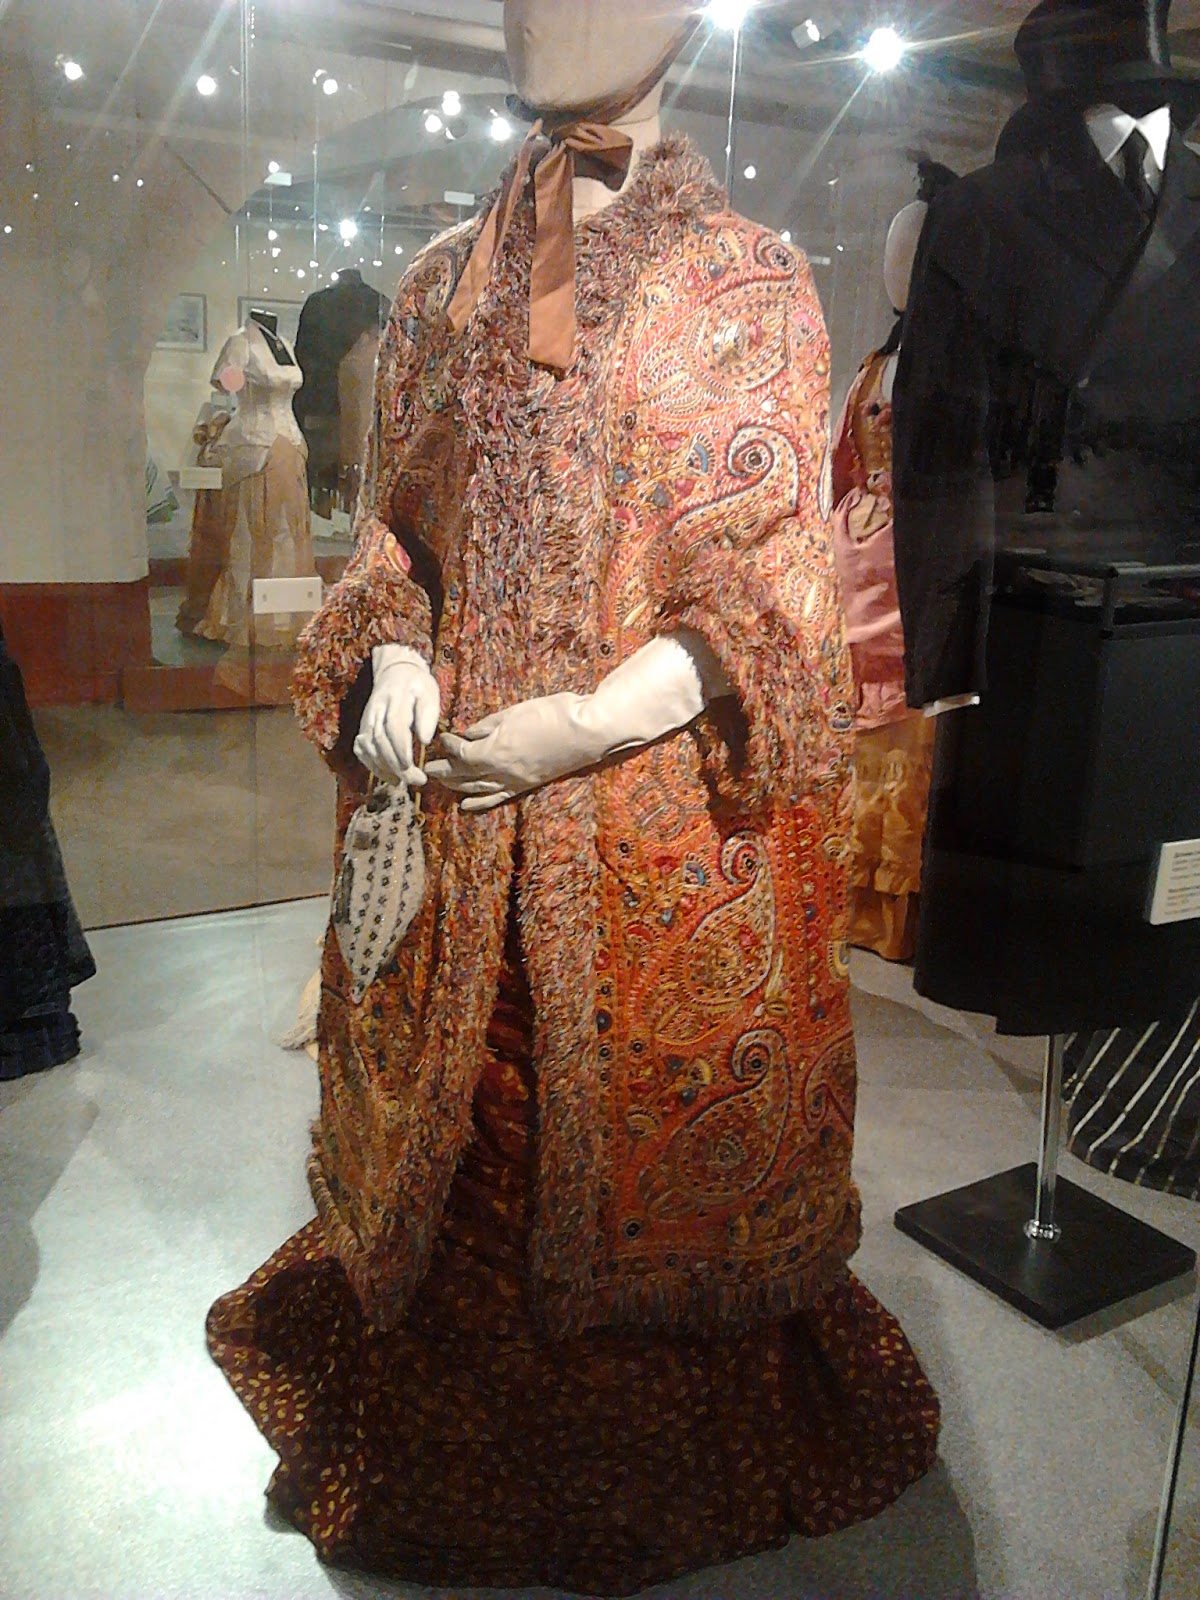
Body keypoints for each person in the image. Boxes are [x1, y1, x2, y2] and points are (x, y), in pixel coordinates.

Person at [207, 4, 940, 1590]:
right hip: (459, 808)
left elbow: (768, 584)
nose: (550, 15)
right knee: (456, 1133)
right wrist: (395, 654)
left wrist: (590, 725)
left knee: (624, 1134)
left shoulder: (746, 278)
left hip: (654, 835)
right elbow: (394, 533)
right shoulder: (442, 281)